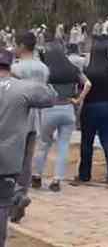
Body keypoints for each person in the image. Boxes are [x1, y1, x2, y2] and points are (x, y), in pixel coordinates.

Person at [0, 49, 56, 246]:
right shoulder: (22, 88)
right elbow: (51, 97)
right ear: (10, 67)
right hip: (8, 159)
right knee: (2, 206)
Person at [9, 32, 50, 223]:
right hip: (35, 119)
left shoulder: (15, 68)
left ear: (22, 46)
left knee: (10, 159)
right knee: (26, 161)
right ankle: (21, 194)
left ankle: (13, 196)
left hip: (16, 119)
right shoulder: (43, 68)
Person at [31, 43, 83, 193]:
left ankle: (37, 175)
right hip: (68, 109)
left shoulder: (47, 72)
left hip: (50, 109)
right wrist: (78, 99)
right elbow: (87, 83)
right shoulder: (72, 69)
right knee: (63, 146)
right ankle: (57, 179)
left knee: (44, 143)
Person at [74, 37, 108, 186]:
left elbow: (81, 88)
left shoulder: (88, 71)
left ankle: (84, 174)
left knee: (87, 142)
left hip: (91, 107)